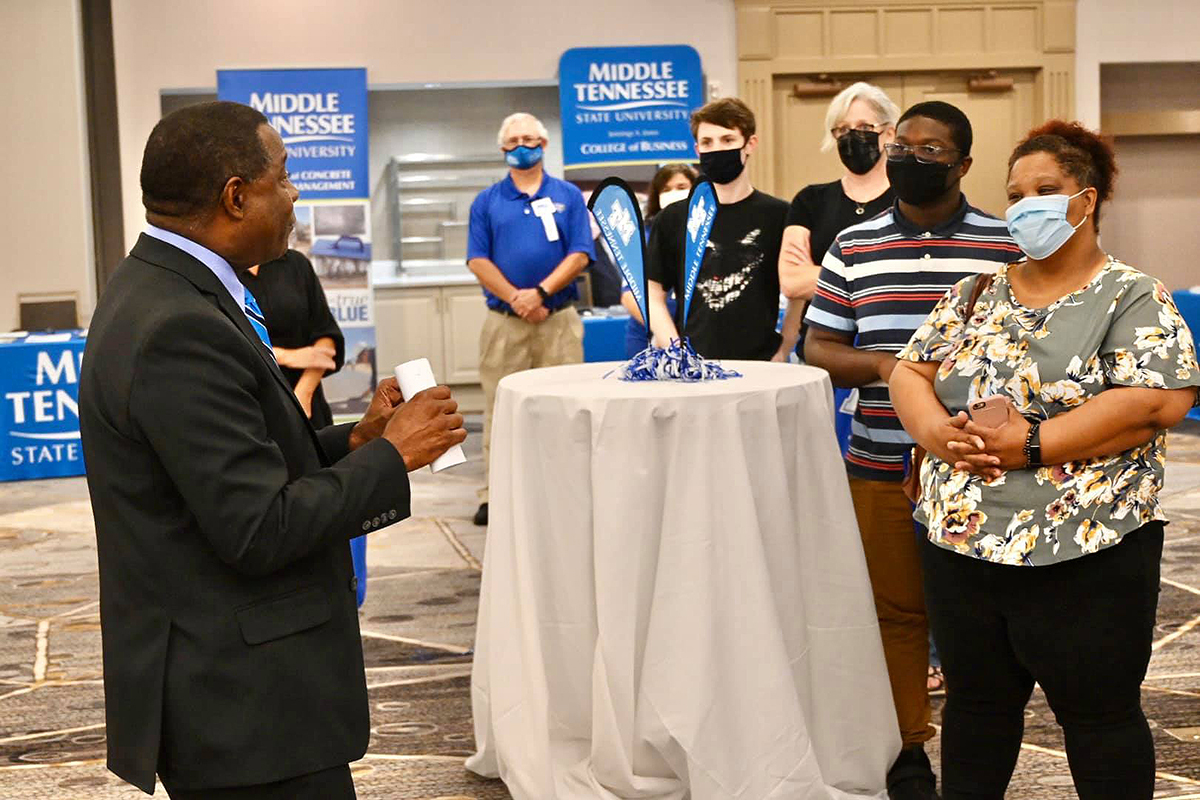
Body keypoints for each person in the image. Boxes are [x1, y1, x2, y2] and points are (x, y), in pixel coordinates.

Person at [79, 101, 467, 799]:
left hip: (241, 698)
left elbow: (232, 462)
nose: (295, 197)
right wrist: (392, 459)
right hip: (243, 709)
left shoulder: (169, 287)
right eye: (284, 179)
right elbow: (257, 527)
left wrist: (353, 440)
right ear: (236, 195)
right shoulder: (177, 326)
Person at [891, 121, 1200, 800]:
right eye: (1015, 192)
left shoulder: (1131, 296)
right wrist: (937, 433)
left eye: (1045, 190)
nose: (1025, 204)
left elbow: (1157, 401)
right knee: (976, 709)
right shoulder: (974, 293)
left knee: (1098, 719)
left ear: (1085, 201)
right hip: (962, 547)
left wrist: (1032, 444)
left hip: (1086, 552)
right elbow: (908, 373)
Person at [803, 101, 1022, 800]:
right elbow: (819, 348)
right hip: (879, 461)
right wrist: (889, 370)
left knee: (983, 618)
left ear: (962, 165)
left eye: (931, 151)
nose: (909, 158)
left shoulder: (1005, 244)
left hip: (984, 468)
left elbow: (1033, 345)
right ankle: (905, 749)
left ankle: (980, 748)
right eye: (903, 146)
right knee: (896, 612)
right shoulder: (853, 244)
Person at [467, 112, 595, 527]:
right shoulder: (487, 202)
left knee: (566, 407)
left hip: (558, 319)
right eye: (514, 140)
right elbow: (477, 259)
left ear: (543, 144)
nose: (522, 145)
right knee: (500, 408)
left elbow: (580, 253)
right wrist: (518, 300)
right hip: (504, 322)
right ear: (503, 149)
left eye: (530, 138)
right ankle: (495, 494)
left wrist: (540, 294)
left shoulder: (569, 196)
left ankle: (565, 489)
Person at [645, 98, 790, 361]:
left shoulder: (779, 214)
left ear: (750, 144)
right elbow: (653, 293)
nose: (717, 149)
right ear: (697, 149)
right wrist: (675, 351)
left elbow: (799, 291)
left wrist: (785, 347)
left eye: (727, 140)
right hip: (694, 365)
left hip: (763, 364)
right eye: (707, 142)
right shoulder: (673, 218)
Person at [778, 81, 898, 360]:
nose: (852, 136)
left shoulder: (908, 201)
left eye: (864, 128)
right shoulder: (810, 200)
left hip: (890, 353)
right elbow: (792, 281)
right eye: (842, 129)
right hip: (821, 350)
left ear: (888, 133)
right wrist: (876, 275)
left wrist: (822, 274)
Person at [240, 248, 343, 427]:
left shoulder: (295, 263)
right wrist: (286, 356)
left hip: (306, 402)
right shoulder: (221, 270)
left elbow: (326, 334)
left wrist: (304, 392)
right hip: (251, 401)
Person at [620, 163, 697, 357]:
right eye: (666, 189)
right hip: (649, 337)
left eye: (681, 187)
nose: (674, 193)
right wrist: (666, 332)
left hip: (697, 332)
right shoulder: (643, 236)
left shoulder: (705, 232)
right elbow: (629, 295)